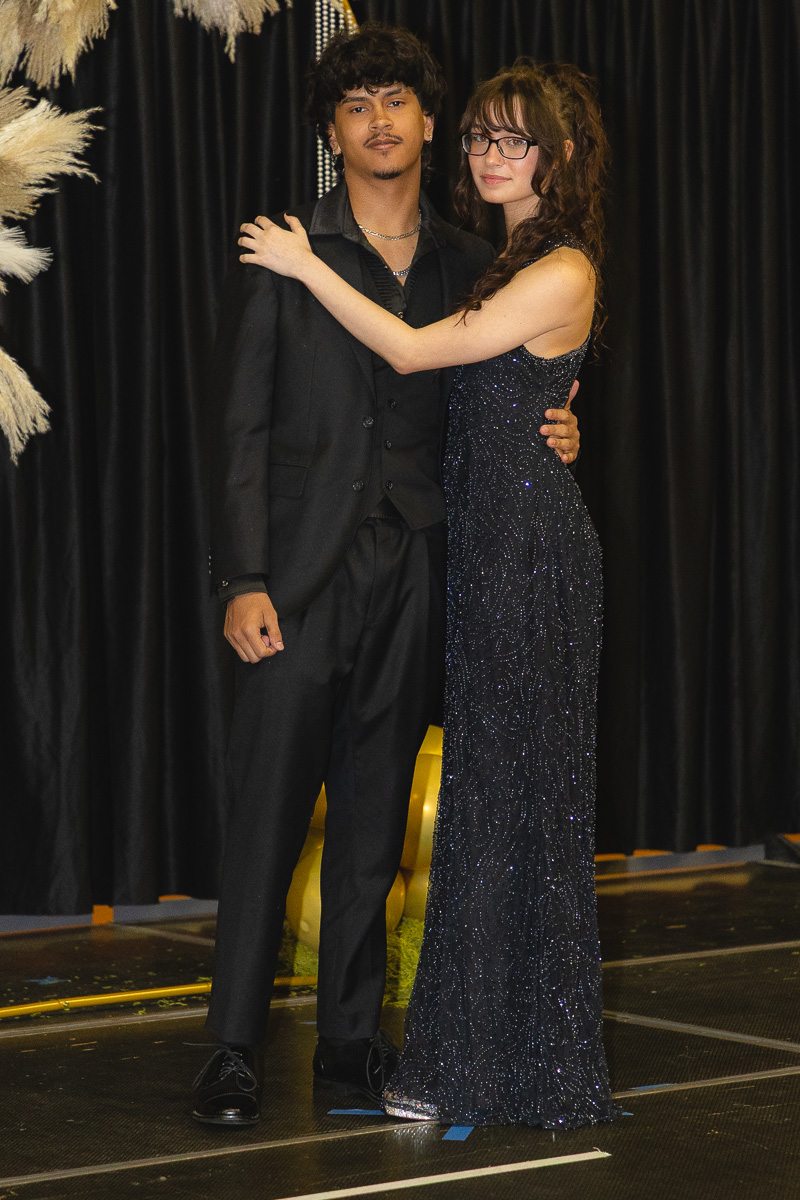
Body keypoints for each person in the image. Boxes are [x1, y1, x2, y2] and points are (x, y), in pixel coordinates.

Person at [194, 26, 581, 1127]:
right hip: (298, 579)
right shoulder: (283, 248)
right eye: (354, 105)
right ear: (333, 133)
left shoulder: (474, 262)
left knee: (373, 831)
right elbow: (239, 432)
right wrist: (243, 579)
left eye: (395, 102)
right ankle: (229, 1049)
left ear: (424, 122)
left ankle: (351, 1046)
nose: (377, 120)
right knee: (265, 821)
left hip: (420, 565)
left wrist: (562, 432)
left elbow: (518, 389)